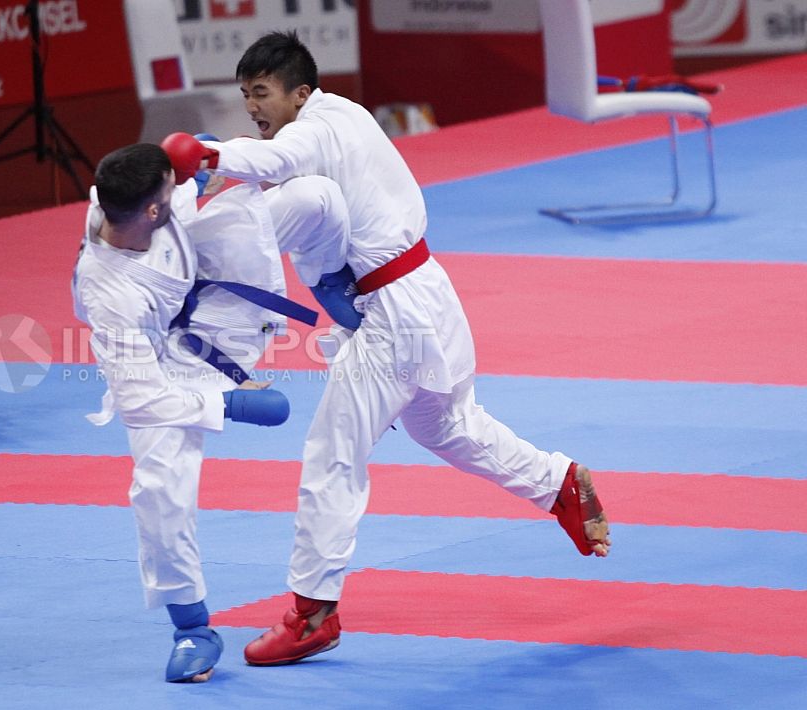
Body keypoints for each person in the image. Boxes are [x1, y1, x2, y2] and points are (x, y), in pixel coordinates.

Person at [160, 31, 611, 667]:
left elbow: (275, 161)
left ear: (301, 92)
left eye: (261, 93)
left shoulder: (318, 128)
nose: (253, 106)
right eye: (244, 95)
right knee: (451, 428)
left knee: (332, 453)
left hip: (396, 314)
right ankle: (557, 482)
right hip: (426, 296)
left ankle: (313, 613)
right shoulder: (348, 120)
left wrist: (204, 153)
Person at [73, 143, 298, 683]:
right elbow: (140, 401)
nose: (181, 191)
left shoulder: (137, 197)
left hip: (210, 301)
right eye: (172, 191)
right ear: (152, 210)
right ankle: (192, 627)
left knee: (312, 196)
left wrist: (212, 163)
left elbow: (189, 168)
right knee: (158, 488)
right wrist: (229, 402)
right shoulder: (107, 294)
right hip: (160, 364)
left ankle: (351, 294)